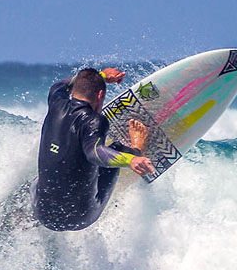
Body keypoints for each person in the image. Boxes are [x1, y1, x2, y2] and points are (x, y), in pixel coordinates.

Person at [33, 67, 155, 231]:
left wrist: (101, 76)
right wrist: (132, 158)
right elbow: (94, 152)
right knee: (117, 148)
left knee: (40, 181)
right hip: (80, 218)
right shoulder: (94, 121)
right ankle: (137, 148)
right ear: (100, 95)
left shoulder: (56, 102)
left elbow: (60, 85)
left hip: (42, 213)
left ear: (74, 91)